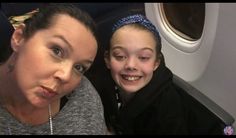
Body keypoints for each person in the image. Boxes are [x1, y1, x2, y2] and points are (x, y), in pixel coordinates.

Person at [93, 14, 224, 135]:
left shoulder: (167, 108)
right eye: (120, 56)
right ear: (107, 59)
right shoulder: (99, 85)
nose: (131, 65)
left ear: (156, 63)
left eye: (143, 57)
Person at [0, 3, 107, 135]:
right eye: (57, 51)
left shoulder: (83, 99)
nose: (65, 76)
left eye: (79, 67)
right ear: (19, 38)